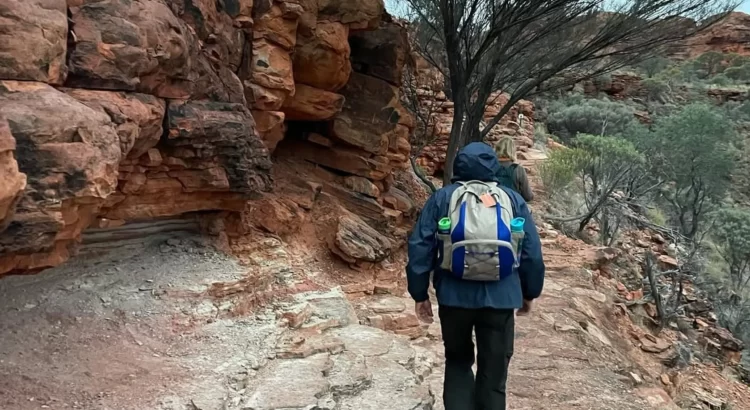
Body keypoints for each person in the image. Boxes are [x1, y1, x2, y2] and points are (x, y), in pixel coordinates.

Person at [406, 142, 545, 410]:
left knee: (457, 362)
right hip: (501, 297)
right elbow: (532, 253)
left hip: (454, 296)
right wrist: (529, 292)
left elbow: (420, 248)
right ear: (493, 165)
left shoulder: (443, 198)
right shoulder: (511, 199)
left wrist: (419, 294)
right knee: (494, 372)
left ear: (458, 165)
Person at [494, 136, 534, 202]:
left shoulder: (489, 167)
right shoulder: (518, 169)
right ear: (512, 151)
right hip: (512, 207)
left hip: (492, 206)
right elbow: (528, 196)